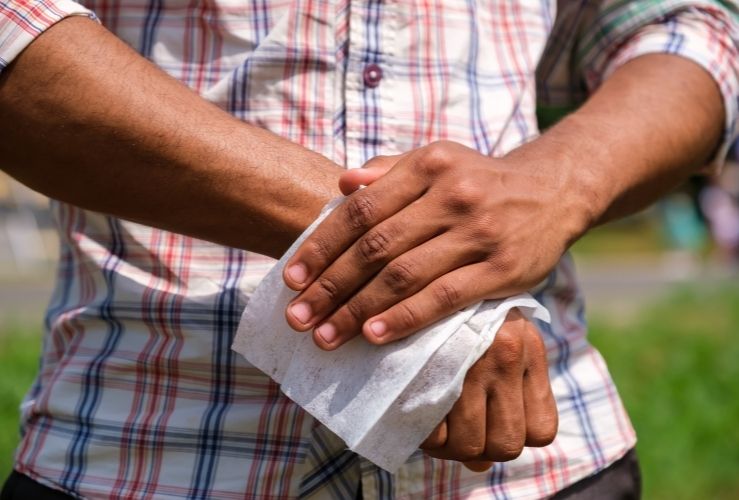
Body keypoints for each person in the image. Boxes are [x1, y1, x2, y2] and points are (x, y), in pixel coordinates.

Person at [0, 0, 736, 498]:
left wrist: (561, 180)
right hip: (155, 453)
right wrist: (440, 278)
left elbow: (688, 26)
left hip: (534, 466)